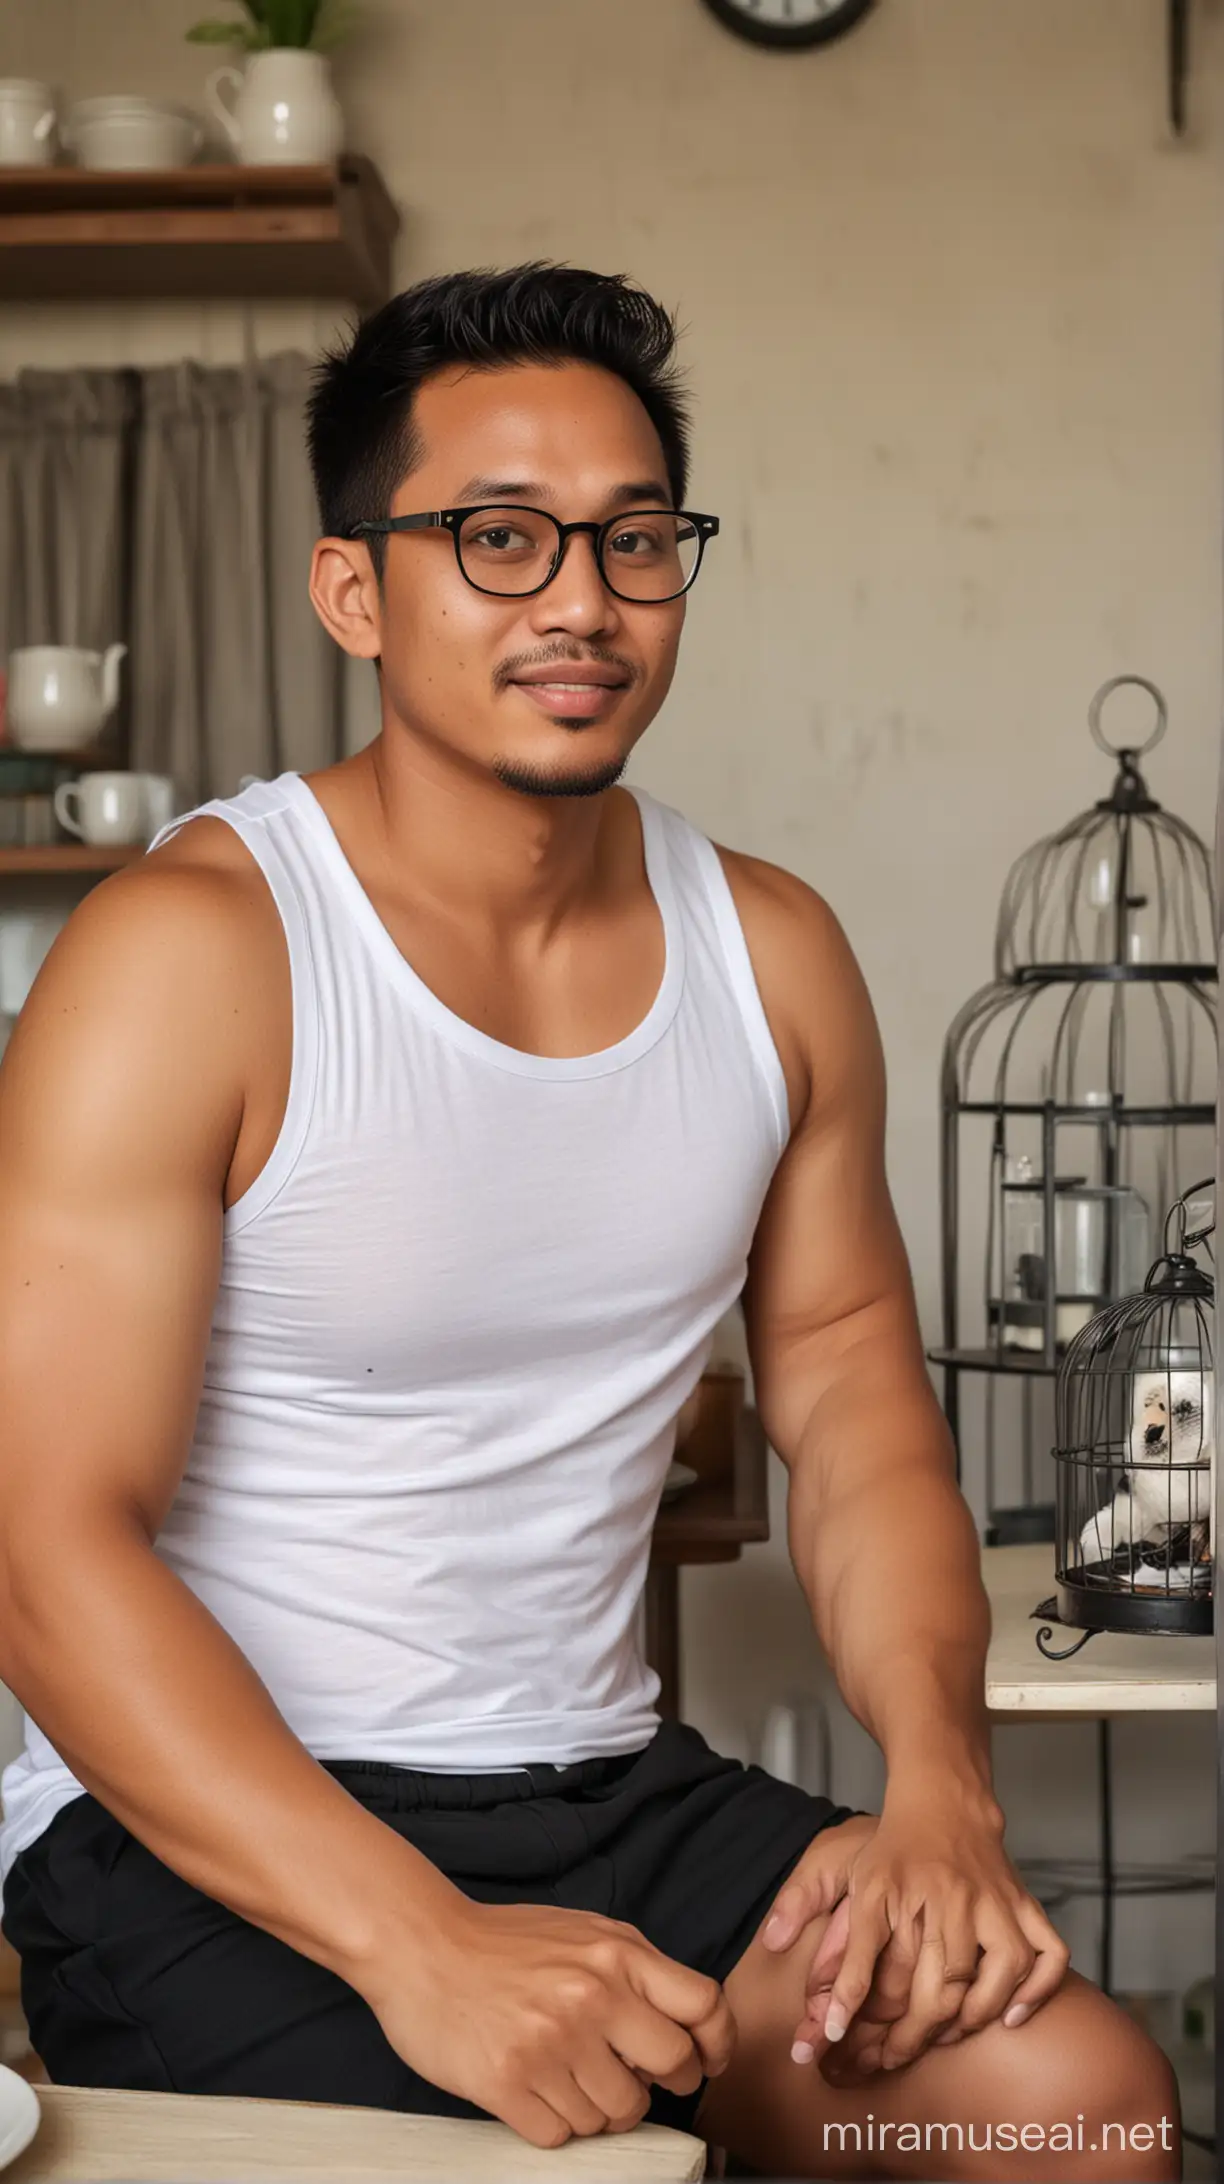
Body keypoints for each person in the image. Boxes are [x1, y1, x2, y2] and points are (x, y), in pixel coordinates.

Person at [0, 266, 1177, 2180]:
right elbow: (46, 1552)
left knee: (1067, 2112)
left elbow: (857, 1412)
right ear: (355, 591)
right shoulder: (192, 957)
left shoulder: (771, 956)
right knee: (558, 2157)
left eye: (636, 541)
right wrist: (419, 1945)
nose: (579, 599)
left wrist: (942, 1794)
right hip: (215, 1829)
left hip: (620, 1796)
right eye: (498, 537)